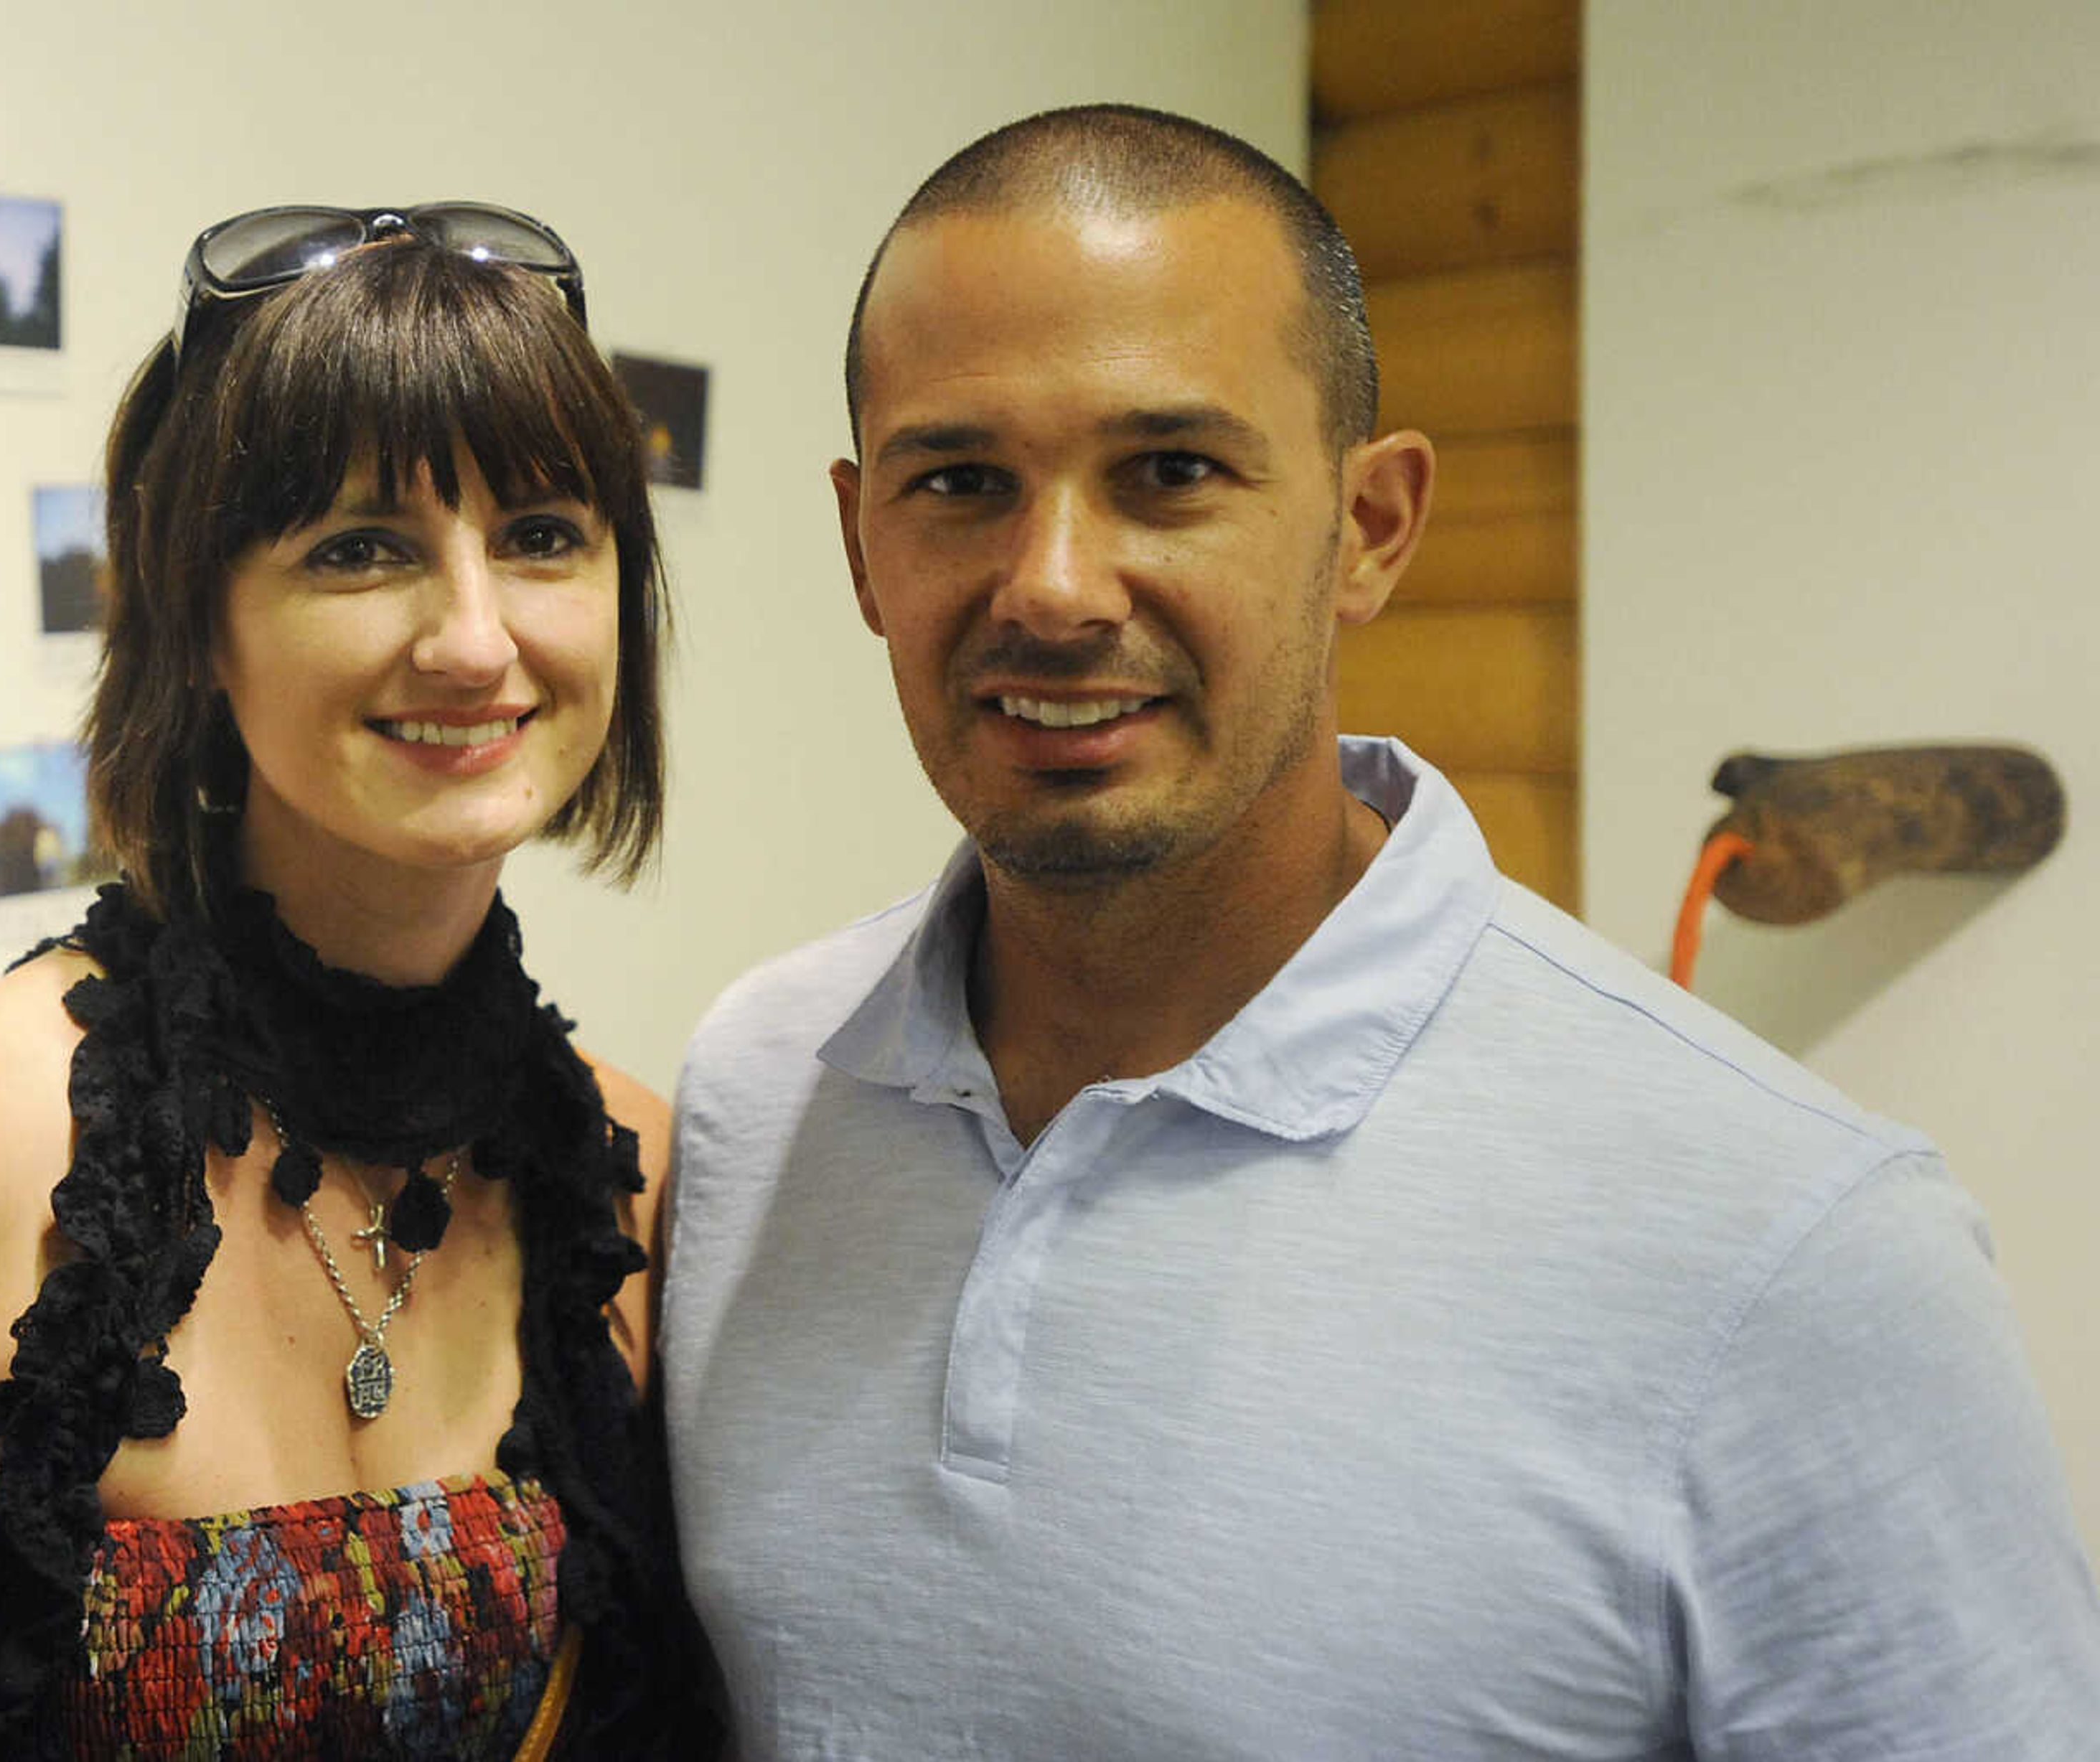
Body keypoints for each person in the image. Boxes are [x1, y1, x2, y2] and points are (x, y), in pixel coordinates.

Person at [658, 104, 2100, 1758]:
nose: (1052, 585)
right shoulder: (762, 1094)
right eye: (963, 481)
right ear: (863, 545)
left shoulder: (1798, 1252)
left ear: (1371, 529)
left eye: (1171, 473)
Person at [0, 204, 707, 1760]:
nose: (473, 635)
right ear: (197, 625)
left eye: (545, 535)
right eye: (360, 548)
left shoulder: (630, 1183)